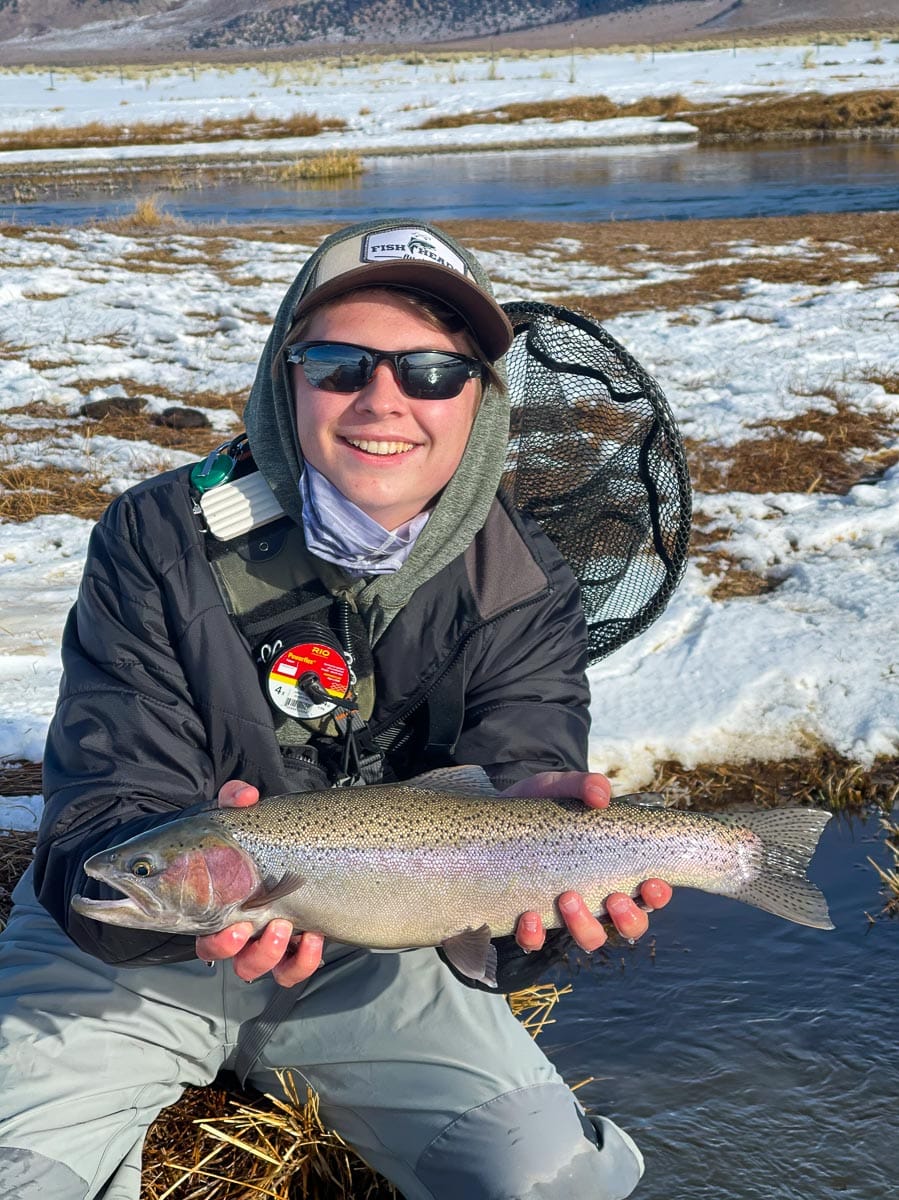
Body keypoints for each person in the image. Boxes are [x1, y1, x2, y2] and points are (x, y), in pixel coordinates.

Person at [0, 219, 672, 1200]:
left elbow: (519, 812)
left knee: (555, 1182)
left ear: (481, 400)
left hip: (384, 954)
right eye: (339, 365)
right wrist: (179, 891)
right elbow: (98, 822)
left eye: (433, 373)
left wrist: (558, 912)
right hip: (132, 954)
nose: (383, 400)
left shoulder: (525, 582)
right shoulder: (159, 537)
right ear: (289, 381)